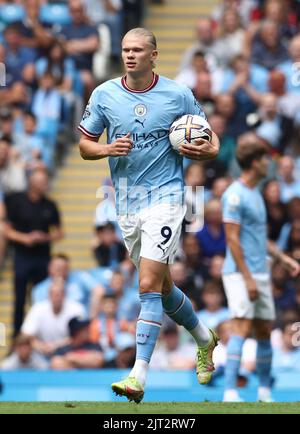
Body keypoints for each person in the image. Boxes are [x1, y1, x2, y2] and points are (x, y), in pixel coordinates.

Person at [78, 27, 220, 403]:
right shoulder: (105, 94)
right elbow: (84, 145)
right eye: (125, 49)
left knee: (146, 286)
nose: (129, 55)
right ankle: (205, 338)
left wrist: (206, 152)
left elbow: (212, 140)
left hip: (168, 198)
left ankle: (138, 375)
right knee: (162, 288)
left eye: (138, 50)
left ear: (153, 54)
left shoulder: (178, 94)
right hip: (126, 203)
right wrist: (107, 149)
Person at [221, 138, 300, 402]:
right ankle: (230, 391)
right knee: (241, 328)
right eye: (265, 159)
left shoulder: (256, 193)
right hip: (239, 273)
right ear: (255, 163)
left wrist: (283, 258)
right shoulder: (234, 194)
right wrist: (247, 278)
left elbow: (258, 238)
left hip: (261, 271)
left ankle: (264, 391)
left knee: (264, 330)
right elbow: (232, 239)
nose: (269, 164)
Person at [4, 169, 64, 336]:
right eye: (42, 181)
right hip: (22, 257)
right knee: (20, 300)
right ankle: (17, 336)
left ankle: (39, 336)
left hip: (43, 258)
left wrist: (44, 237)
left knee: (40, 299)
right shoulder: (17, 202)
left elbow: (59, 233)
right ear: (32, 183)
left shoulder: (50, 205)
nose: (46, 185)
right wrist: (25, 238)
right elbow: (6, 230)